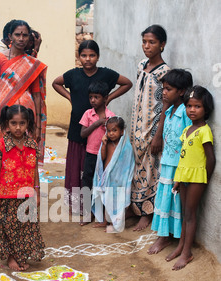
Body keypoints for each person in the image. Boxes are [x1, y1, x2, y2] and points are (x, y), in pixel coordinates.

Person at [0, 20, 47, 220]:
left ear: (30, 38)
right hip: (5, 120)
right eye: (17, 34)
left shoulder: (32, 63)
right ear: (9, 37)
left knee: (25, 160)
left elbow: (37, 96)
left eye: (25, 35)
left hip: (26, 119)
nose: (21, 38)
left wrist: (37, 125)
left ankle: (24, 204)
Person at [52, 39, 132, 215]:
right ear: (78, 56)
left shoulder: (106, 74)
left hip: (99, 131)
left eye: (92, 55)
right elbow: (56, 83)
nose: (88, 59)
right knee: (77, 165)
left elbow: (127, 83)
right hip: (78, 126)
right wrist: (69, 97)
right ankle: (79, 204)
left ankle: (96, 205)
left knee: (95, 164)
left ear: (98, 56)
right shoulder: (73, 75)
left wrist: (109, 97)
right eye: (84, 55)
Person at [167, 86, 215, 270]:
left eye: (197, 106)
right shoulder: (187, 129)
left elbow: (211, 158)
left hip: (197, 178)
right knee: (184, 214)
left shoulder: (204, 131)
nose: (192, 110)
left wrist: (205, 180)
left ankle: (187, 252)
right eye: (189, 106)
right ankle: (181, 246)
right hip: (184, 175)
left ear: (206, 109)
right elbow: (183, 156)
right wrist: (178, 178)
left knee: (190, 215)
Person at [0, 105, 45, 272]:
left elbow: (35, 170)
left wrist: (37, 191)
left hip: (27, 193)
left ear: (27, 124)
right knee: (10, 227)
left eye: (22, 123)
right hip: (7, 195)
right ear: (7, 124)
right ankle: (12, 257)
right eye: (14, 123)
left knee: (25, 227)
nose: (18, 127)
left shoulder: (32, 145)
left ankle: (21, 255)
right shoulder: (0, 145)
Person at [129, 25, 170, 231]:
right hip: (136, 129)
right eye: (144, 41)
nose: (147, 46)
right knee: (136, 168)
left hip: (152, 131)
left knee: (151, 169)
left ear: (162, 45)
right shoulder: (141, 65)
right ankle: (135, 208)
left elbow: (165, 104)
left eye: (152, 42)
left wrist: (158, 134)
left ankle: (147, 212)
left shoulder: (165, 73)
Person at [148, 69, 193, 255]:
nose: (164, 92)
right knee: (165, 198)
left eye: (169, 89)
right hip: (167, 161)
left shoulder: (185, 111)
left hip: (178, 165)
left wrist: (182, 169)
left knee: (174, 200)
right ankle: (164, 235)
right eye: (164, 88)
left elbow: (188, 141)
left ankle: (168, 237)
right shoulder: (170, 110)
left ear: (181, 91)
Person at [79, 80, 116, 224]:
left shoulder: (111, 116)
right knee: (87, 182)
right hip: (90, 154)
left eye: (97, 97)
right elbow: (83, 134)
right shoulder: (88, 114)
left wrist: (107, 125)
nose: (93, 100)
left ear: (105, 98)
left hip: (105, 156)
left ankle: (102, 214)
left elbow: (115, 136)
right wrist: (96, 124)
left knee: (103, 184)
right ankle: (88, 213)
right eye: (91, 97)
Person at [91, 116, 135, 233]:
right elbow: (102, 158)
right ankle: (105, 221)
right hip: (106, 177)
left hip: (118, 180)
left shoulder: (126, 147)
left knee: (115, 202)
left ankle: (113, 223)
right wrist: (104, 144)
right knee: (105, 199)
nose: (111, 133)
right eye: (109, 130)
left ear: (121, 131)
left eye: (114, 130)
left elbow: (127, 165)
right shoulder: (107, 144)